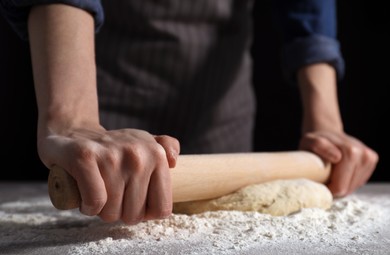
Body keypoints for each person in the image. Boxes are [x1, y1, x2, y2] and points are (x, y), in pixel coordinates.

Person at [0, 0, 378, 224]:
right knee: (93, 198)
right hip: (104, 91)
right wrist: (75, 118)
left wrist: (326, 126)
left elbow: (306, 9)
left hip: (220, 104)